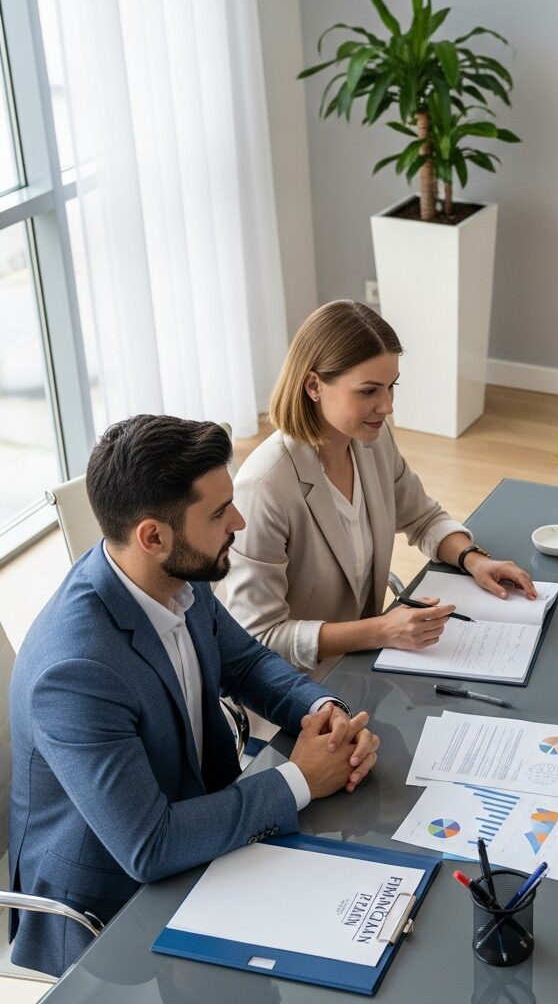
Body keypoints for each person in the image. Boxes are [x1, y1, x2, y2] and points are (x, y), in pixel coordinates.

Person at [8, 415, 381, 977]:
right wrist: (301, 778)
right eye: (217, 513)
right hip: (109, 911)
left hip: (202, 830)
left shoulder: (176, 577)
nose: (239, 520)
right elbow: (149, 846)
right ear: (153, 536)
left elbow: (247, 662)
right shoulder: (75, 672)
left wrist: (323, 713)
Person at [223, 300, 536, 674]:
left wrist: (473, 558)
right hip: (303, 688)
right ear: (314, 385)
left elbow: (422, 517)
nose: (386, 406)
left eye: (391, 387)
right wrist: (381, 630)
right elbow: (260, 635)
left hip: (368, 661)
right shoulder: (264, 488)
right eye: (368, 391)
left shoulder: (370, 441)